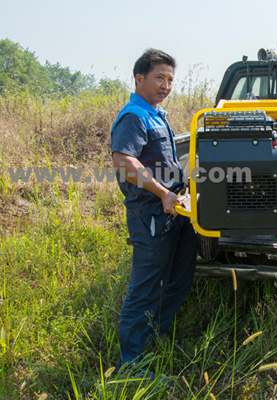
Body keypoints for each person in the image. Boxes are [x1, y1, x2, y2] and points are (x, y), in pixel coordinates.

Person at [110, 49, 197, 376]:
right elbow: (125, 163)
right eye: (160, 77)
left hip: (173, 211)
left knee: (177, 279)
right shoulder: (134, 115)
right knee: (144, 288)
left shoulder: (156, 113)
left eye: (171, 79)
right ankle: (131, 365)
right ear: (139, 78)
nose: (166, 85)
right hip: (151, 215)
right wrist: (162, 193)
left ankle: (152, 341)